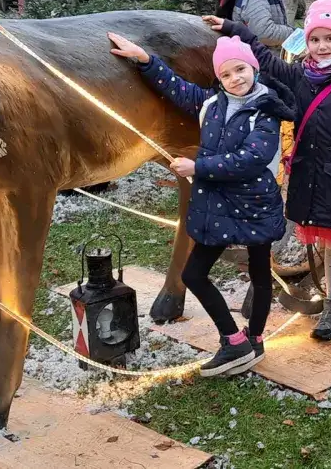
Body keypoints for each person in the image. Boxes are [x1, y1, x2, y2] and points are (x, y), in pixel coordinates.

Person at [204, 0, 331, 355]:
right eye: (315, 39)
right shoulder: (302, 76)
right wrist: (237, 30)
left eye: (330, 38)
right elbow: (266, 61)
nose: (322, 46)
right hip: (319, 179)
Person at [107, 31, 293, 376]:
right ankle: (234, 340)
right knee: (194, 274)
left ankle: (254, 339)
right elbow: (177, 88)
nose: (235, 78)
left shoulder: (266, 110)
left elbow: (253, 158)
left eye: (241, 69)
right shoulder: (212, 103)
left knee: (259, 273)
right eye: (226, 73)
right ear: (218, 78)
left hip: (254, 203)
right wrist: (145, 60)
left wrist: (198, 168)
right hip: (219, 204)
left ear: (253, 68)